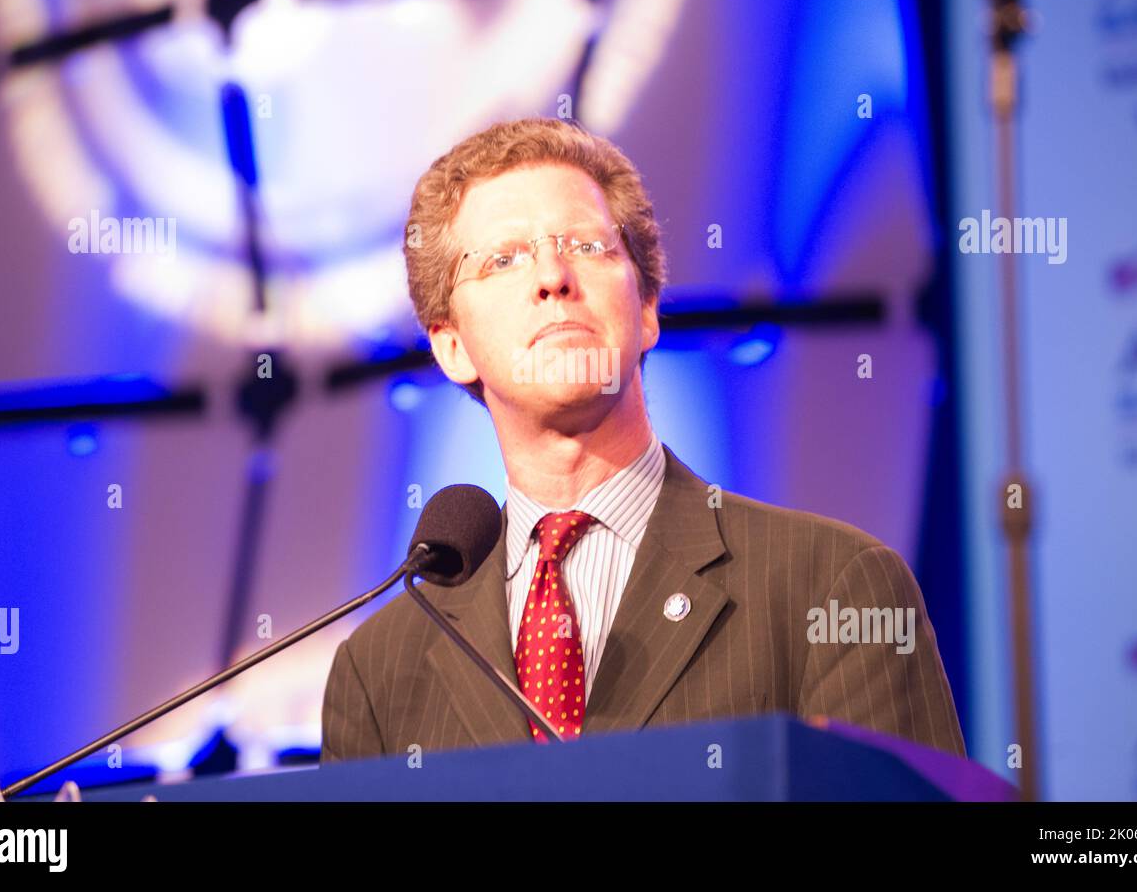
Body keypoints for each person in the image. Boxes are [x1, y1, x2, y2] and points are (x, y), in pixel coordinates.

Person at [321, 117, 965, 761]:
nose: (552, 276)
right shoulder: (378, 671)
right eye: (504, 259)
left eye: (587, 245)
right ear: (452, 346)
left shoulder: (831, 587)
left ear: (648, 308)